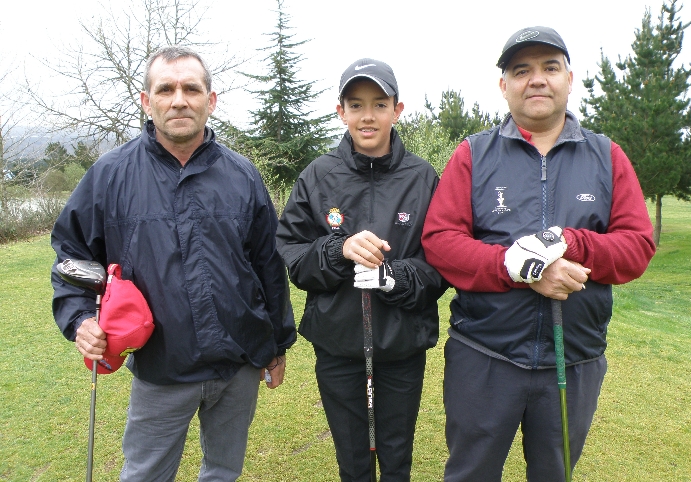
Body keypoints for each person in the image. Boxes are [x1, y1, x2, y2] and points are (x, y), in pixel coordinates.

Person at [50, 45, 296, 481]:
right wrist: (78, 318)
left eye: (191, 88)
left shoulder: (243, 175)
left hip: (237, 365)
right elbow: (72, 255)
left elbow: (268, 266)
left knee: (223, 471)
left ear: (210, 100)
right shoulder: (111, 175)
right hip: (162, 368)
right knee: (145, 475)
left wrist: (277, 345)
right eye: (165, 89)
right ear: (147, 101)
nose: (179, 99)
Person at [421, 27, 656, 481]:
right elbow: (440, 241)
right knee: (471, 473)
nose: (537, 80)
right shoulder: (473, 153)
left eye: (549, 68)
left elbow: (638, 246)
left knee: (553, 474)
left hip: (575, 359)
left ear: (569, 78)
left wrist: (572, 241)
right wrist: (514, 267)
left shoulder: (607, 156)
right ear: (503, 85)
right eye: (521, 70)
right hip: (484, 355)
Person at [275, 58, 447, 481]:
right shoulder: (318, 175)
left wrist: (395, 277)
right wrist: (338, 251)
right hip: (338, 345)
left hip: (401, 345)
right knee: (353, 461)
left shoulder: (423, 177)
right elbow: (291, 251)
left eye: (378, 104)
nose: (367, 116)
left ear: (397, 109)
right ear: (341, 112)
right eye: (356, 105)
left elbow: (442, 263)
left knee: (395, 459)